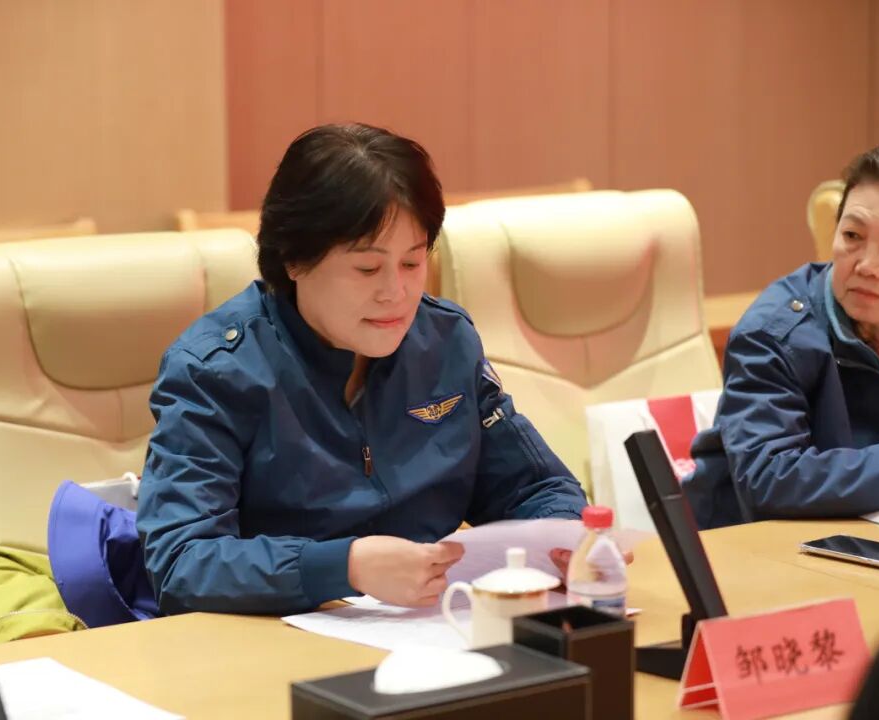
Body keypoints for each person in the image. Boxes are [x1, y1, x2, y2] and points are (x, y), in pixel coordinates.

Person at [136, 123, 588, 615]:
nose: (396, 293)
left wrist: (563, 539)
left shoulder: (444, 341)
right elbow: (181, 563)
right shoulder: (216, 370)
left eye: (412, 263)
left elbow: (535, 486)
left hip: (432, 627)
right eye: (368, 269)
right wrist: (345, 566)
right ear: (294, 259)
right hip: (278, 633)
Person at [685, 140, 879, 529]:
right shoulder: (773, 333)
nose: (867, 265)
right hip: (755, 548)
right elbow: (768, 478)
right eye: (852, 236)